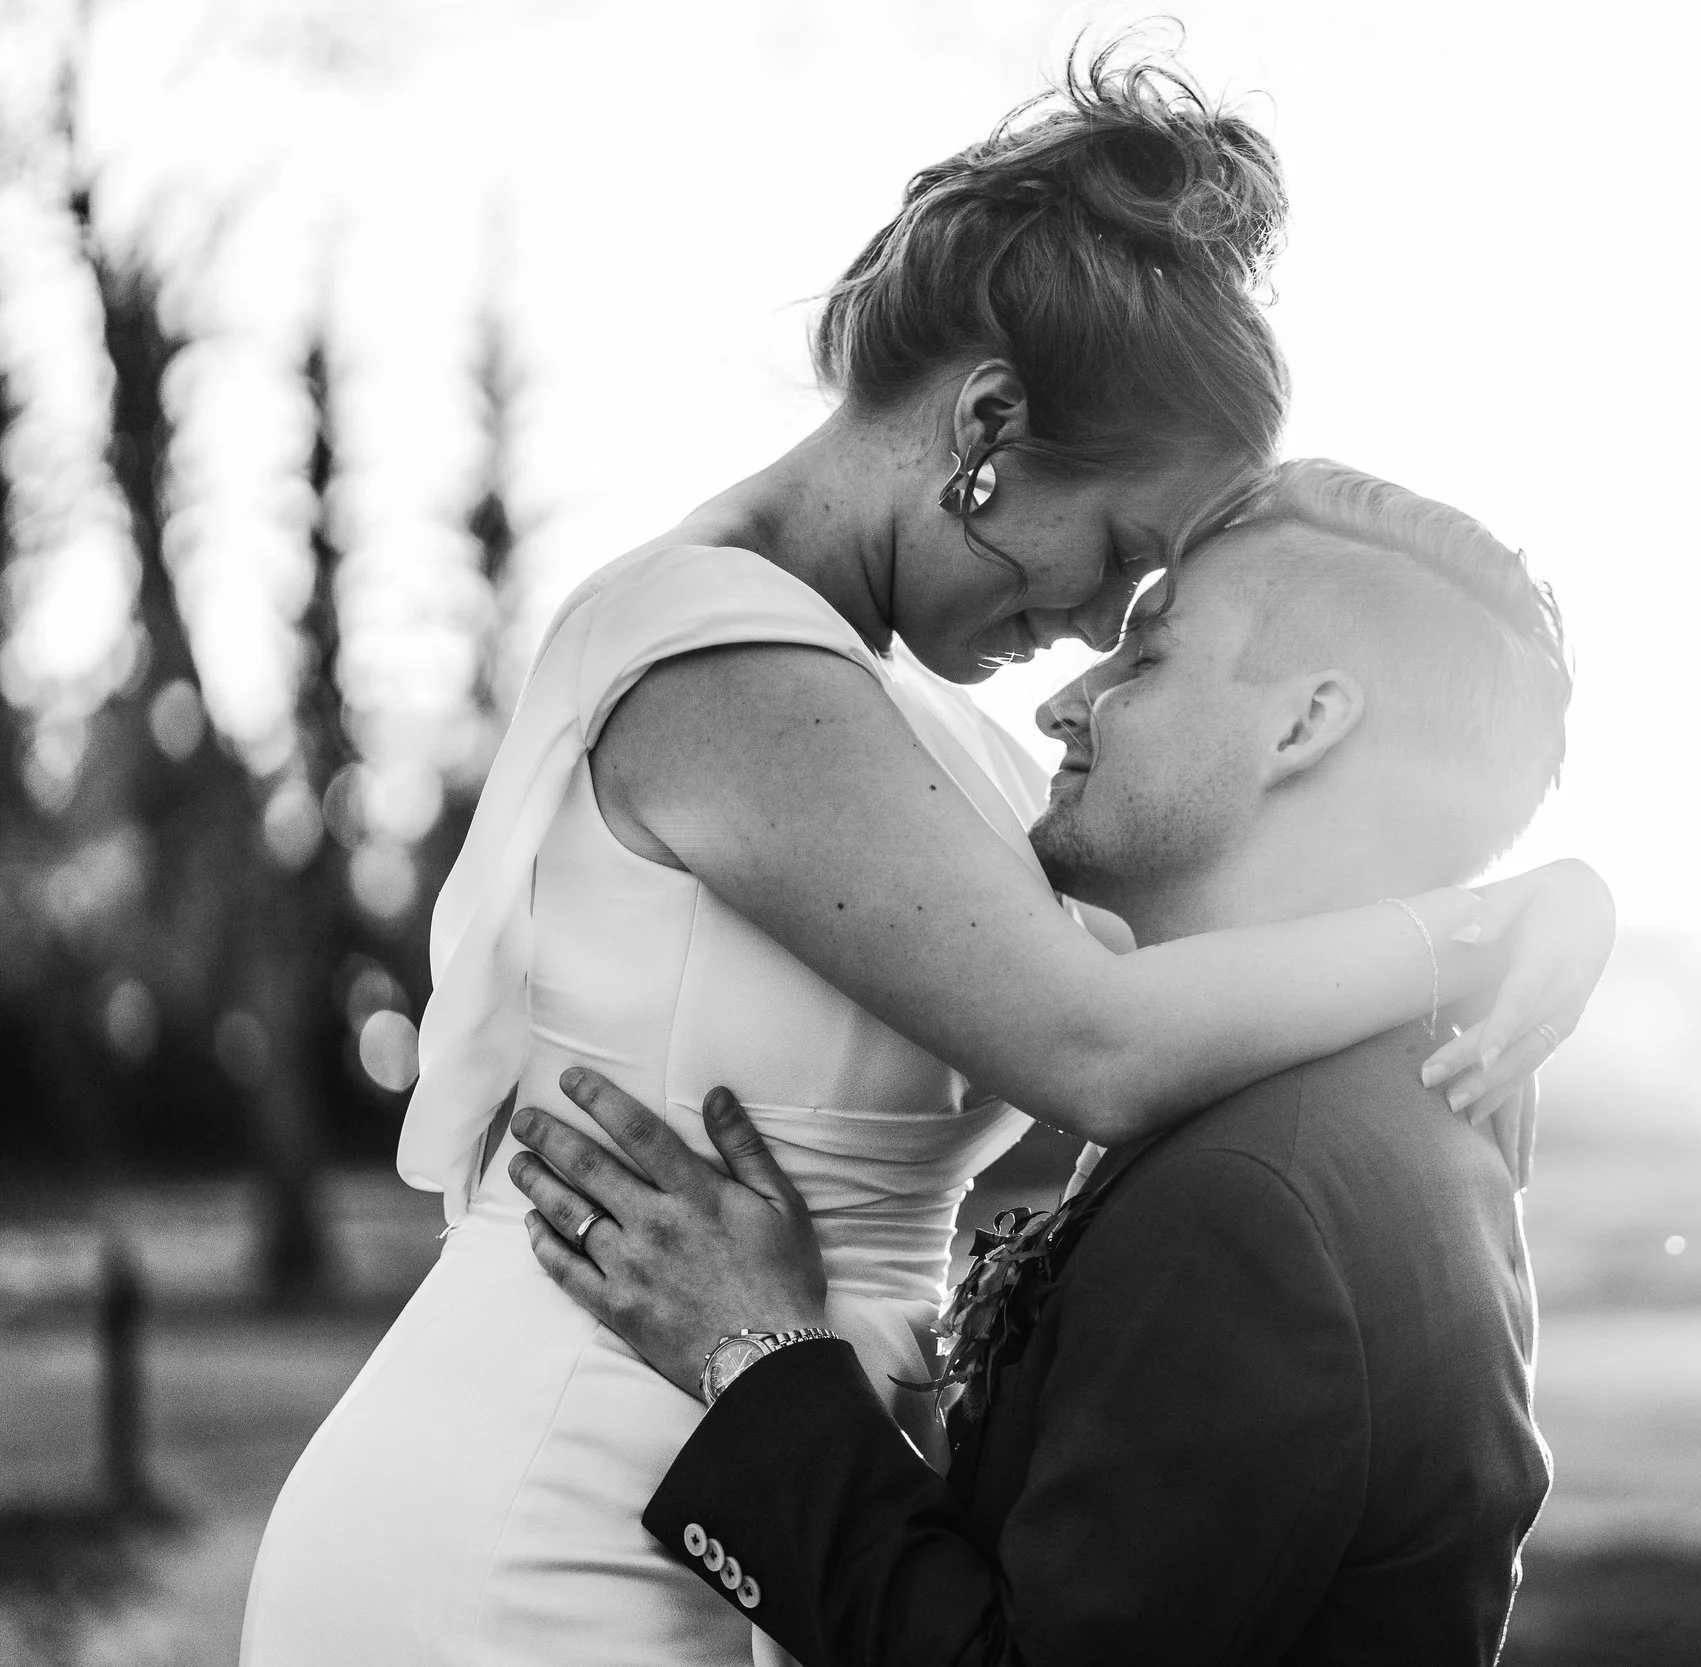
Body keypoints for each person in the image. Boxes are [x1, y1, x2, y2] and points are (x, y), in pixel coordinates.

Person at [239, 50, 1606, 1667]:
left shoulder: (940, 750)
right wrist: (1472, 930)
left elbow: (1233, 982)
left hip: (788, 1516)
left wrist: (1551, 913)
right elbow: (1104, 1047)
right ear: (987, 423)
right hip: (554, 1502)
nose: (1091, 635)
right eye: (1120, 554)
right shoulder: (713, 659)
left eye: (1149, 614)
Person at [509, 460, 1579, 1665]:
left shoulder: (1255, 1194)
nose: (1064, 704)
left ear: (1302, 725)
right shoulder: (1350, 1111)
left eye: (1145, 658)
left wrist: (752, 1353)